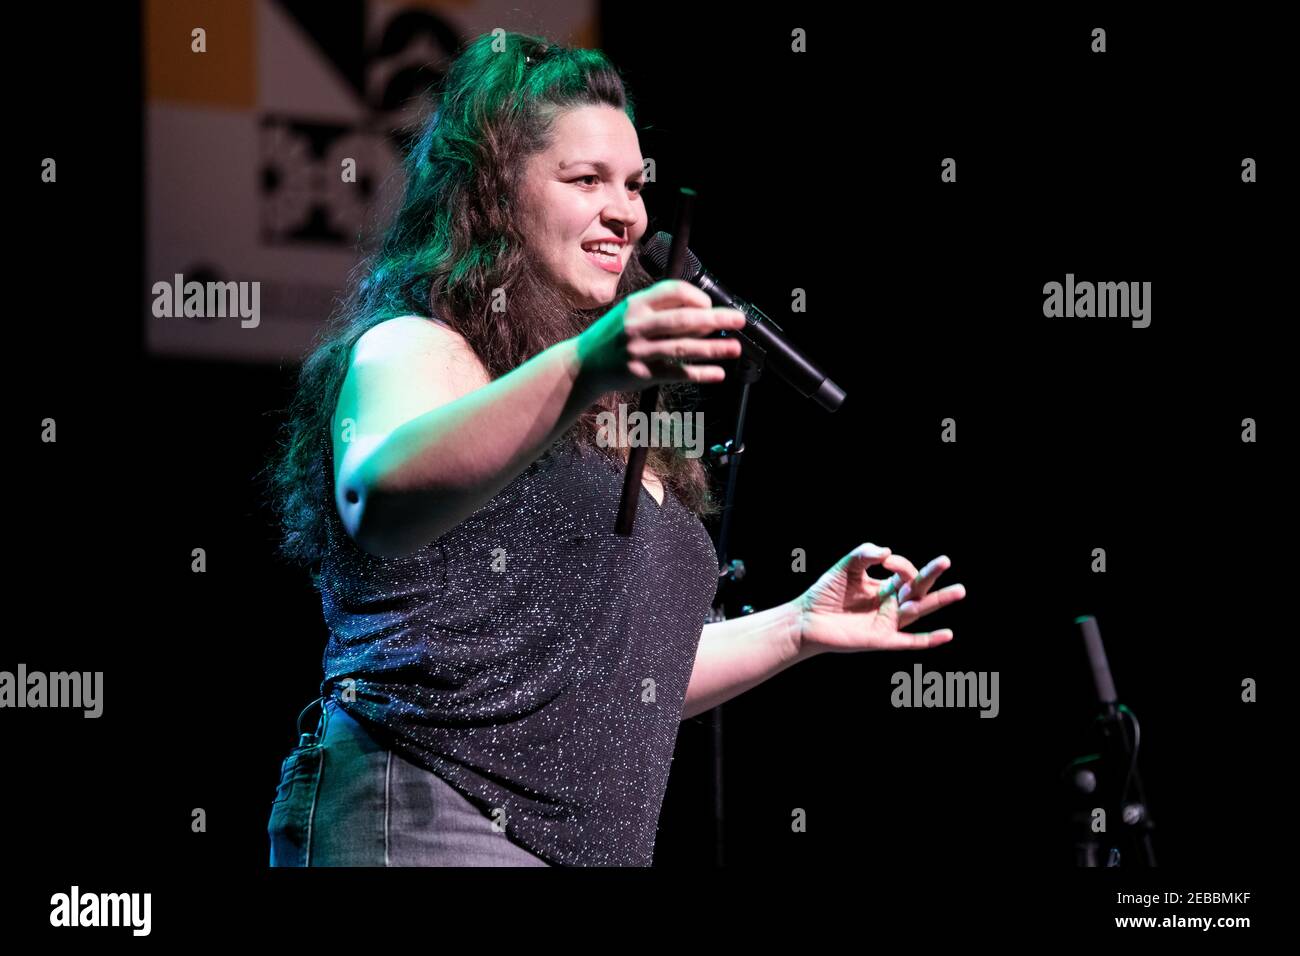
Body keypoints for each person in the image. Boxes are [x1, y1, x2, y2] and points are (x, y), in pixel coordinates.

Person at [263, 31, 966, 867]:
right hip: (426, 808)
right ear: (494, 193)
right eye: (585, 180)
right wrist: (587, 365)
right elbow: (377, 497)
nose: (626, 210)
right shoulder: (418, 345)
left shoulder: (608, 406)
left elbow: (618, 672)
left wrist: (796, 628)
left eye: (634, 185)